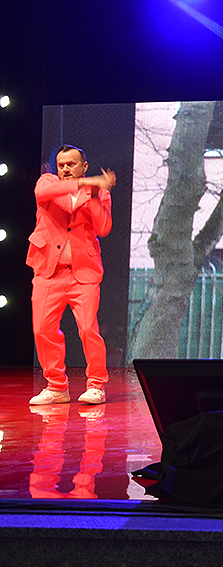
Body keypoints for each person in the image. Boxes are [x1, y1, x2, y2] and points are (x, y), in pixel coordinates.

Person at [27, 145, 116, 405]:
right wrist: (86, 182)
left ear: (84, 166)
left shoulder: (97, 192)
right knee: (43, 329)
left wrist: (96, 193)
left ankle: (96, 385)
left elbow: (103, 227)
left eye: (71, 164)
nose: (65, 169)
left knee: (88, 329)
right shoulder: (48, 182)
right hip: (48, 272)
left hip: (83, 273)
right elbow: (43, 193)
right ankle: (56, 386)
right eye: (61, 164)